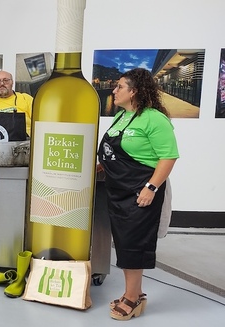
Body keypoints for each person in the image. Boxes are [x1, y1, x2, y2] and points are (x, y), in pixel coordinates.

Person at [97, 68, 178, 321]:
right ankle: (135, 293)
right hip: (119, 189)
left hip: (140, 190)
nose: (114, 90)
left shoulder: (155, 119)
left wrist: (151, 188)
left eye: (120, 86)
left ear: (135, 91)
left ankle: (132, 299)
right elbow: (117, 149)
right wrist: (104, 164)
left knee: (133, 244)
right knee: (123, 243)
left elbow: (168, 157)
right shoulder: (122, 116)